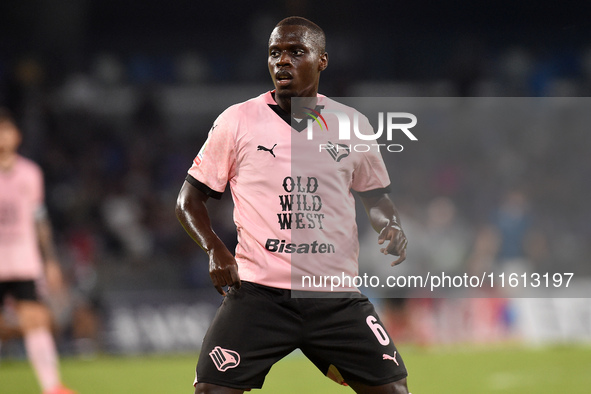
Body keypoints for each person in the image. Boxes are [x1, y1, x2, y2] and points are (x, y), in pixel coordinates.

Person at [176, 17, 410, 394]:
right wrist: (215, 249)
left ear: (322, 60)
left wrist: (390, 225)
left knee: (394, 391)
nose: (282, 61)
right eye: (274, 53)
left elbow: (376, 196)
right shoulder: (236, 122)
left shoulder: (353, 125)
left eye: (295, 52)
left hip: (334, 295)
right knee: (211, 390)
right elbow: (188, 199)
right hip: (258, 294)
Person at [0, 108, 75, 394]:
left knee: (36, 320)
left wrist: (50, 261)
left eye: (7, 130)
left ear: (16, 135)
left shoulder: (30, 173)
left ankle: (51, 386)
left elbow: (40, 219)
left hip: (22, 260)